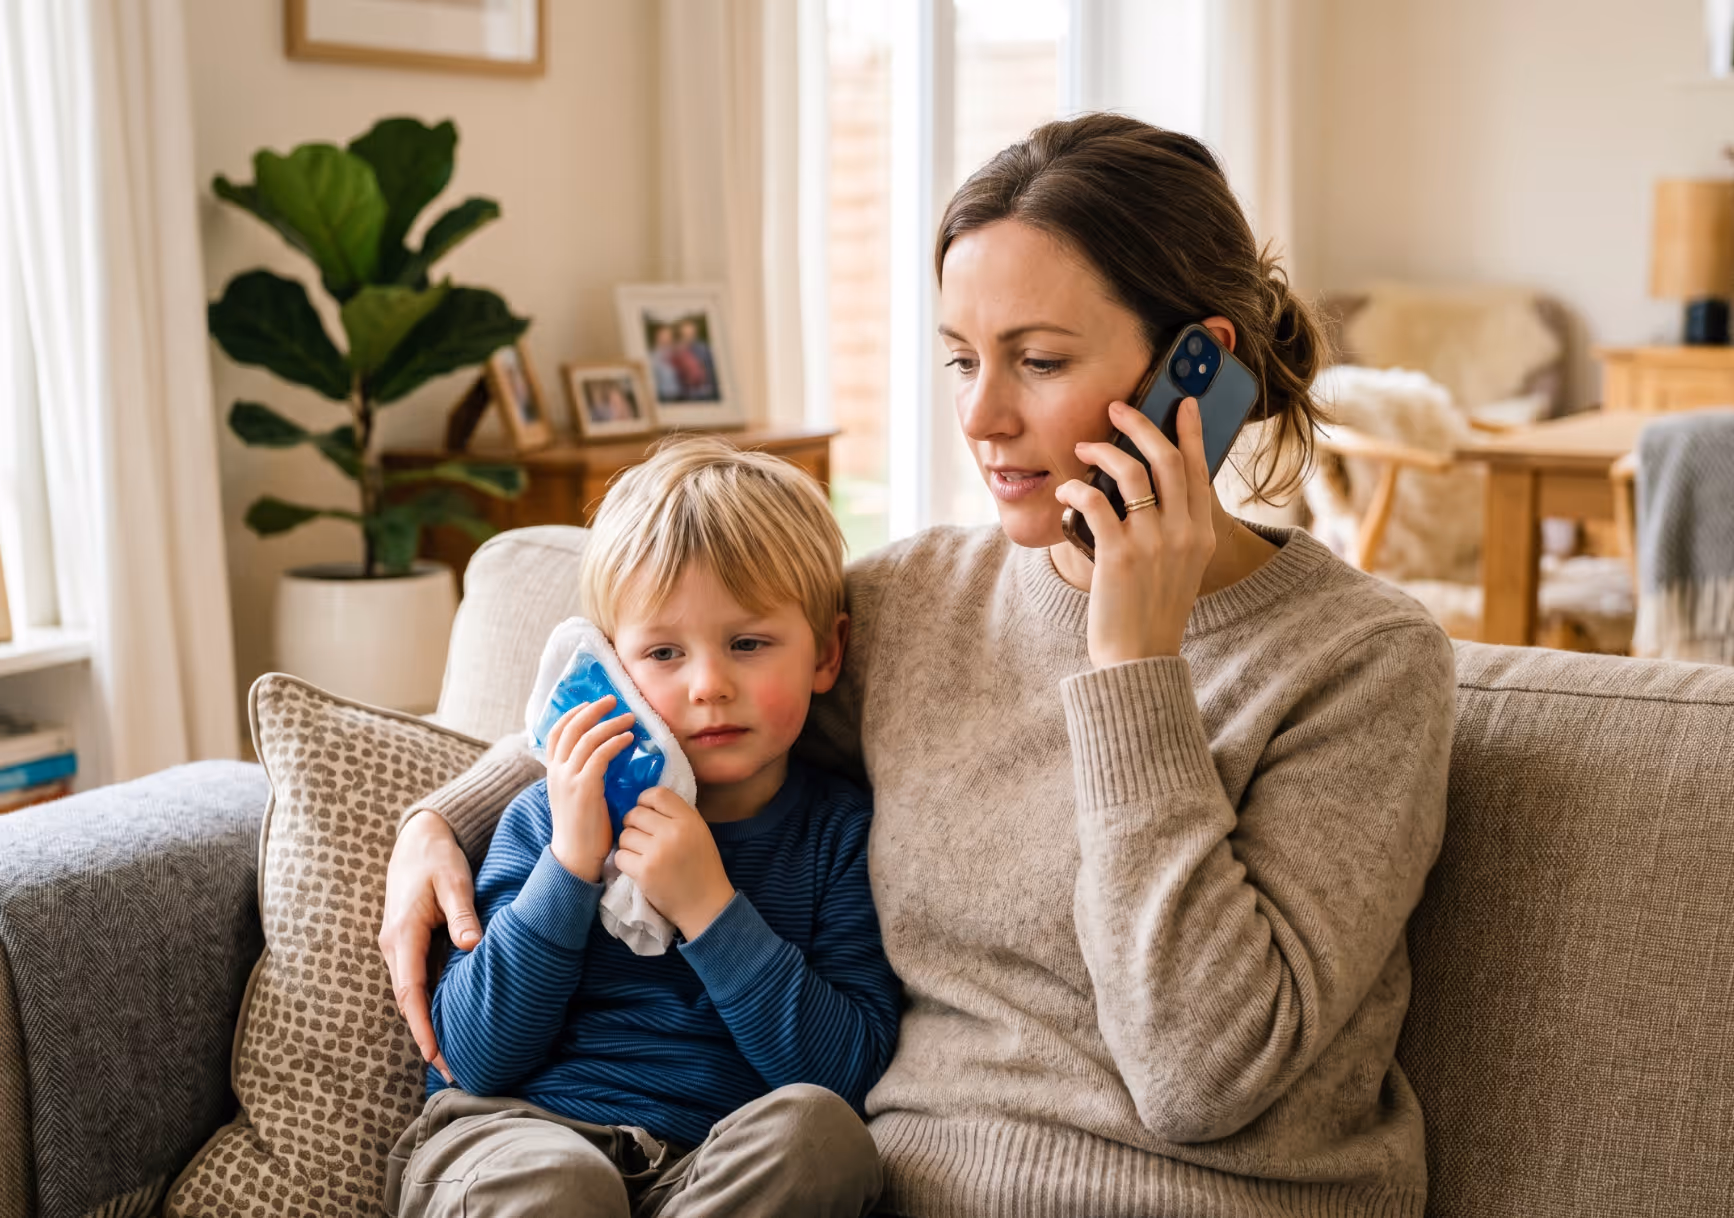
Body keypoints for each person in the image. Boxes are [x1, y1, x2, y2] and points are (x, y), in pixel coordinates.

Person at [383, 113, 1454, 1218]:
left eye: (1038, 361)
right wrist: (448, 812)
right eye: (960, 360)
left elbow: (1201, 1079)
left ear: (1199, 372)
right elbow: (698, 698)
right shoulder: (917, 608)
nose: (982, 418)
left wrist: (1135, 666)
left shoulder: (1361, 667)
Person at [383, 437, 900, 1218]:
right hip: (512, 1138)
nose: (708, 685)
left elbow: (847, 1073)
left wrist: (712, 910)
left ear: (827, 653)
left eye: (748, 643)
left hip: (707, 1173)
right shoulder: (548, 819)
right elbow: (473, 1056)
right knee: (562, 1185)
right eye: (663, 652)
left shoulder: (839, 837)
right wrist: (569, 867)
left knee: (822, 1135)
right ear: (613, 668)